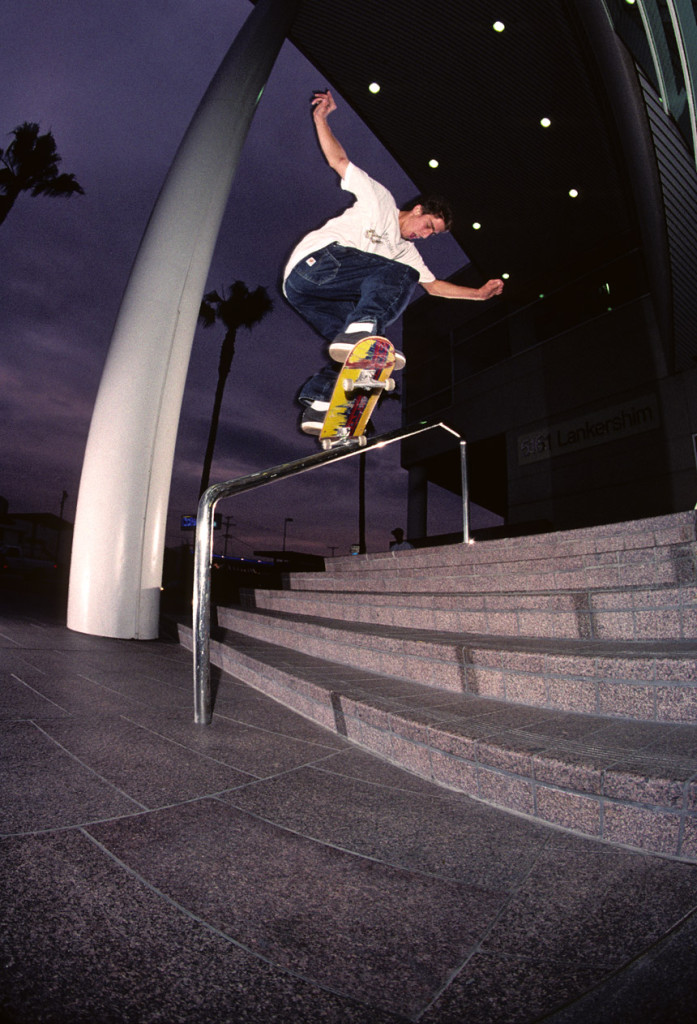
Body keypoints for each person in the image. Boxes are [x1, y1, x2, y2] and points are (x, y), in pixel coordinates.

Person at [283, 90, 504, 435]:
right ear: (418, 210)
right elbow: (339, 161)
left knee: (360, 353)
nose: (425, 235)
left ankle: (319, 403)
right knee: (389, 295)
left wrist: (478, 295)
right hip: (315, 264)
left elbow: (433, 287)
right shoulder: (380, 199)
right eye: (428, 226)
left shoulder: (407, 253)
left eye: (434, 235)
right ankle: (363, 327)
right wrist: (321, 118)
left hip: (308, 297)